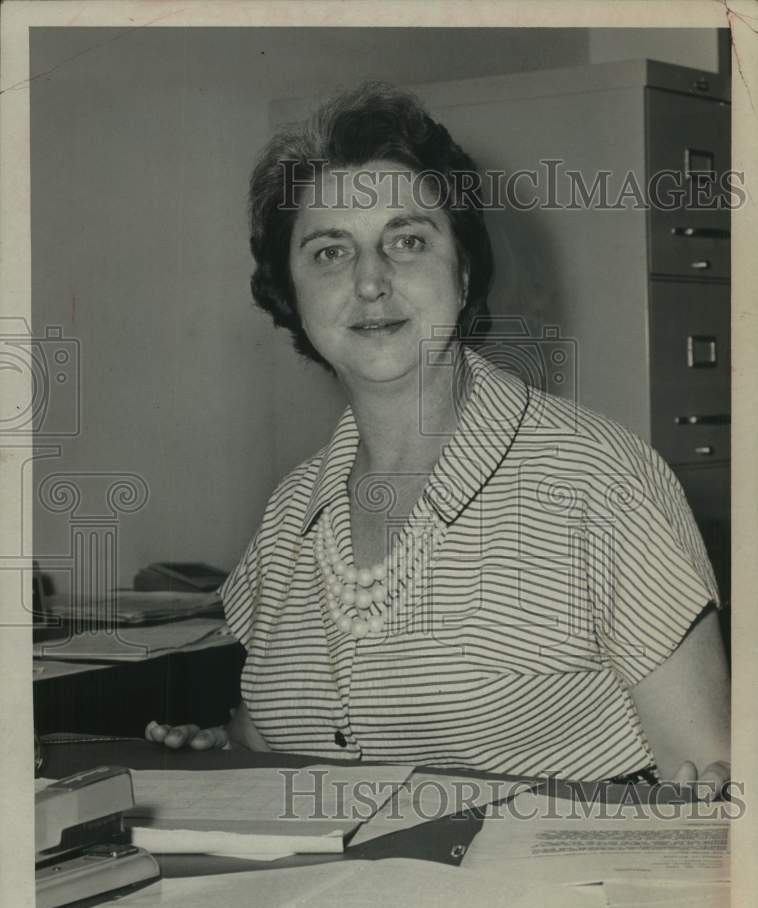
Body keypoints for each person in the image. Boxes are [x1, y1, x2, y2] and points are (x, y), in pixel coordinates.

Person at [146, 83, 730, 790]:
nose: (370, 281)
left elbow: (711, 784)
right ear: (290, 293)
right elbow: (276, 730)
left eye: (408, 241)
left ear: (464, 267)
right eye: (329, 252)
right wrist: (225, 750)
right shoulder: (289, 514)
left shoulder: (601, 481)